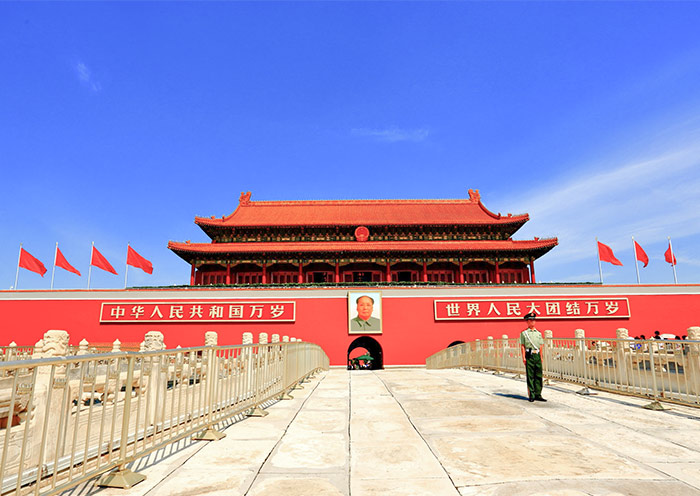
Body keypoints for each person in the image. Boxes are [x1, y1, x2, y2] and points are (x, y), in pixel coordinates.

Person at [520, 312, 546, 402]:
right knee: (530, 375)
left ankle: (538, 394)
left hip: (537, 355)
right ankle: (531, 394)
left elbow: (541, 345)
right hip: (529, 355)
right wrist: (523, 357)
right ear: (527, 321)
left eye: (534, 320)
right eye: (531, 320)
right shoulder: (524, 333)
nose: (533, 322)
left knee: (538, 375)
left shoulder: (538, 333)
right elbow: (523, 346)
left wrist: (541, 356)